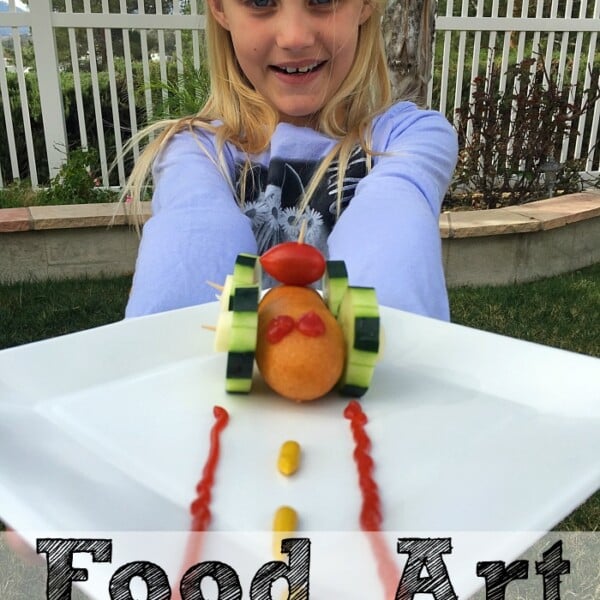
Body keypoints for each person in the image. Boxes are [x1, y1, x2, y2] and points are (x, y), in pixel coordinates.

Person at [122, 0, 458, 320]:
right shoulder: (195, 150)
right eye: (259, 1)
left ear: (366, 5)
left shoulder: (408, 139)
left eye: (323, 0)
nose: (295, 37)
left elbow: (391, 238)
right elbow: (192, 238)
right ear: (220, 8)